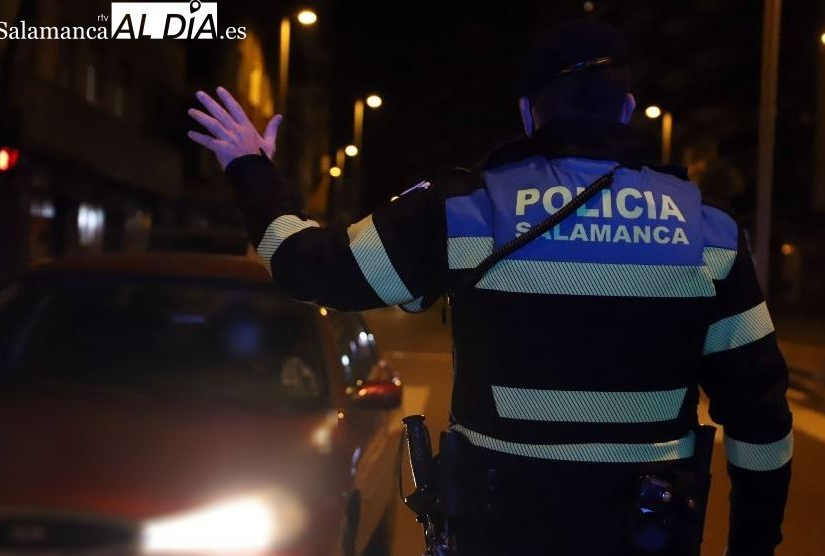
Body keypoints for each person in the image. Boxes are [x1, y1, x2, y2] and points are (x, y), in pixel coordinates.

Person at [188, 19, 792, 556]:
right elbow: (761, 422)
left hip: (499, 526)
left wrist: (250, 166)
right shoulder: (707, 230)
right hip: (646, 530)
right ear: (628, 109)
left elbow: (307, 266)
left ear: (529, 114)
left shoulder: (468, 208)